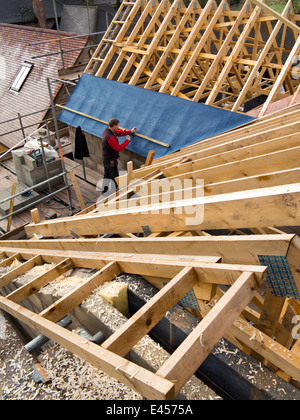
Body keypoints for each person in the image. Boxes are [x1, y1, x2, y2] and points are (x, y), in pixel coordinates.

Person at [101, 118, 137, 193]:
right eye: (117, 125)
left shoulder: (107, 131)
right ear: (114, 125)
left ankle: (104, 192)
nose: (118, 127)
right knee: (114, 178)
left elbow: (117, 133)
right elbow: (119, 148)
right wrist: (127, 141)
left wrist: (130, 131)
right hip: (111, 161)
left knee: (106, 176)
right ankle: (113, 194)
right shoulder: (110, 137)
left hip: (106, 159)